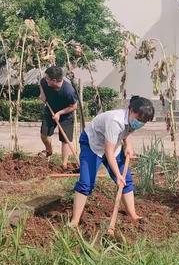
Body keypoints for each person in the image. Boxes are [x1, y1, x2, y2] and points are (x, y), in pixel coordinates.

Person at [70, 95, 155, 228]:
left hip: (112, 145)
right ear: (131, 110)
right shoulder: (115, 121)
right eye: (139, 119)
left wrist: (128, 146)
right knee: (86, 182)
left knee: (126, 181)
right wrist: (117, 175)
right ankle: (74, 221)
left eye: (144, 121)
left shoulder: (133, 120)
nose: (140, 123)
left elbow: (127, 132)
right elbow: (108, 153)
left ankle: (133, 215)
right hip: (92, 144)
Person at [39, 65, 78, 168]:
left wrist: (59, 113)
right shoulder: (45, 82)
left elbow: (74, 106)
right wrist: (42, 94)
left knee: (65, 141)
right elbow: (41, 82)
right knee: (44, 134)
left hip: (66, 115)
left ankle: (64, 165)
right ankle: (49, 150)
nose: (45, 79)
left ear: (54, 80)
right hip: (50, 111)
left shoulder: (68, 91)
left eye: (48, 78)